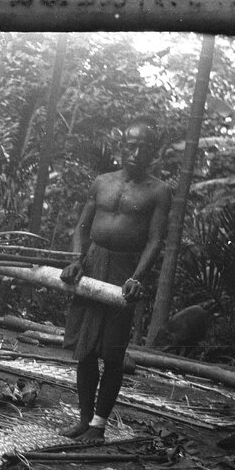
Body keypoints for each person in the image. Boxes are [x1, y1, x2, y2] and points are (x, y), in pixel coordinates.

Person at [59, 116, 172, 441]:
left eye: (143, 148)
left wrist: (138, 277)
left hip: (125, 273)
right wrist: (76, 260)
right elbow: (82, 227)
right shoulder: (102, 181)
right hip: (92, 265)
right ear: (121, 148)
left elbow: (154, 240)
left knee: (112, 353)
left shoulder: (158, 190)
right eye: (130, 146)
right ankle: (83, 420)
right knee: (85, 349)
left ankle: (98, 425)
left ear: (153, 153)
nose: (135, 153)